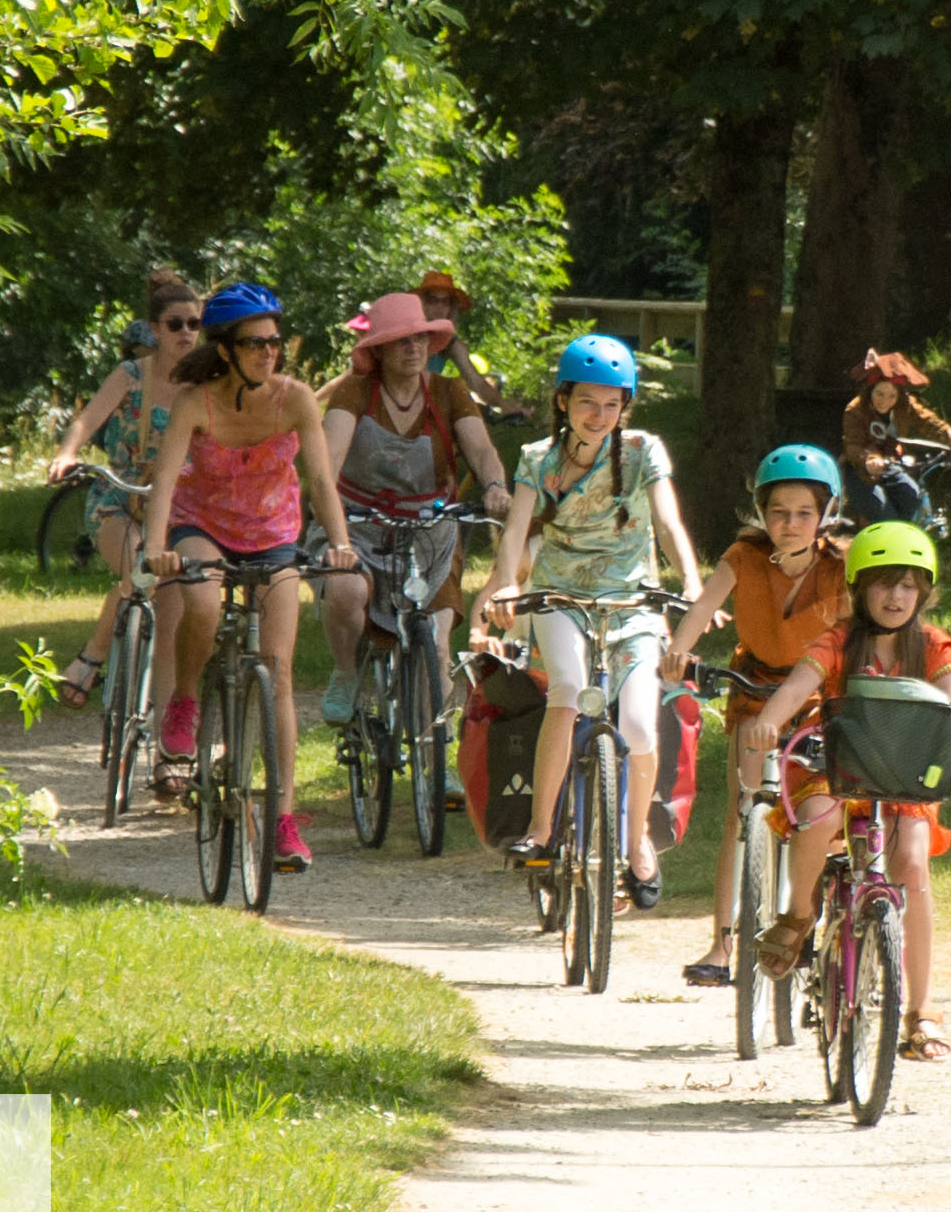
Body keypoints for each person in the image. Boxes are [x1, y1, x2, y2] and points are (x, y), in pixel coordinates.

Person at [738, 521, 951, 1064]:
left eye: (907, 585)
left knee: (913, 866)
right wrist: (769, 721)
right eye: (881, 584)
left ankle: (921, 1011)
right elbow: (799, 685)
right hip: (838, 767)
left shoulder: (934, 646)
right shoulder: (837, 642)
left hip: (900, 774)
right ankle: (798, 916)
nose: (895, 597)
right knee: (819, 818)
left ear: (923, 590)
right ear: (858, 589)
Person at [472, 335, 705, 909]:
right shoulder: (536, 458)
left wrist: (693, 585)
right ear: (562, 401)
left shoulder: (645, 451)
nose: (598, 416)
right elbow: (516, 533)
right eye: (586, 403)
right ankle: (542, 827)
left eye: (611, 404)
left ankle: (637, 845)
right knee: (569, 693)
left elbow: (670, 526)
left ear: (624, 406)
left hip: (633, 603)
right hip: (558, 597)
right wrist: (507, 584)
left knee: (642, 727)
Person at [139, 281, 358, 873]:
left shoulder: (295, 399)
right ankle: (185, 699)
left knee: (280, 671)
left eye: (275, 342)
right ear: (227, 349)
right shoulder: (195, 402)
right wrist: (156, 548)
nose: (269, 352)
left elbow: (320, 481)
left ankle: (283, 821)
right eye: (255, 343)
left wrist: (339, 543)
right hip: (202, 525)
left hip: (273, 535)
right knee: (202, 606)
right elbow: (164, 484)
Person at [659, 445, 853, 986]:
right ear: (761, 513)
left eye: (803, 514)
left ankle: (810, 919)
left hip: (817, 695)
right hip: (753, 689)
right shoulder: (743, 557)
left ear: (825, 515)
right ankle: (723, 945)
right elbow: (703, 606)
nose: (789, 524)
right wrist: (679, 649)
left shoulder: (841, 567)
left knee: (819, 808)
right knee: (743, 811)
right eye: (778, 512)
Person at [315, 292, 515, 737]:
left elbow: (480, 448)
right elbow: (326, 462)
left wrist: (496, 486)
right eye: (401, 340)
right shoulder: (354, 391)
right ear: (379, 349)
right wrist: (332, 524)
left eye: (421, 338)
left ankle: (435, 755)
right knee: (345, 591)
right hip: (357, 524)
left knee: (437, 642)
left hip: (429, 529)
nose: (413, 348)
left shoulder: (447, 391)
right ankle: (347, 673)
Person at [46, 273, 200, 707]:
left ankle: (167, 737)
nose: (186, 333)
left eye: (194, 324)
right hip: (120, 497)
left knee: (173, 615)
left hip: (177, 507)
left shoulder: (207, 382)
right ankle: (92, 657)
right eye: (175, 324)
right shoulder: (131, 375)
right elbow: (87, 420)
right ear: (154, 330)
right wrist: (67, 454)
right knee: (140, 569)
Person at [839, 350, 951, 526]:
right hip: (860, 472)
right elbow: (853, 445)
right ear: (870, 391)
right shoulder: (855, 410)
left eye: (892, 396)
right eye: (879, 394)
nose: (885, 401)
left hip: (893, 465)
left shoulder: (905, 405)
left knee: (912, 499)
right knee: (884, 515)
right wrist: (869, 459)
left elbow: (931, 424)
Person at [415, 270, 533, 421]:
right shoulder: (410, 337)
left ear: (452, 308)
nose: (440, 307)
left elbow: (476, 382)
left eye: (445, 302)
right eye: (433, 300)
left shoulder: (452, 343)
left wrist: (508, 408)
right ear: (421, 303)